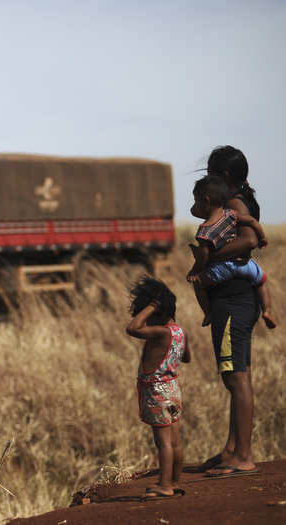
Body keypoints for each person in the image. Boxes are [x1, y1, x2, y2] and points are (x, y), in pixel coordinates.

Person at [196, 145, 262, 477]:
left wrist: (208, 255)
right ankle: (232, 449)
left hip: (232, 300)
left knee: (236, 377)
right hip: (241, 298)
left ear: (222, 177)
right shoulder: (243, 201)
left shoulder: (235, 204)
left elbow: (249, 241)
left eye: (209, 175)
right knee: (237, 374)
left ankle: (243, 456)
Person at [126, 277, 191, 497]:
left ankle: (164, 486)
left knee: (163, 442)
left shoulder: (160, 333)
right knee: (175, 440)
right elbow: (187, 357)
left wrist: (152, 305)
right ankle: (174, 481)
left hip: (157, 393)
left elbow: (132, 328)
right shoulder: (179, 332)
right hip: (173, 389)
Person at [186, 174, 275, 329]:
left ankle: (207, 313)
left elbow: (204, 257)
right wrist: (262, 238)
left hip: (221, 269)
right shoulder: (231, 214)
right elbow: (252, 221)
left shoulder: (204, 232)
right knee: (261, 281)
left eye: (196, 201)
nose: (194, 206)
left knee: (198, 285)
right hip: (244, 264)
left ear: (205, 201)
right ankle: (267, 311)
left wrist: (195, 271)